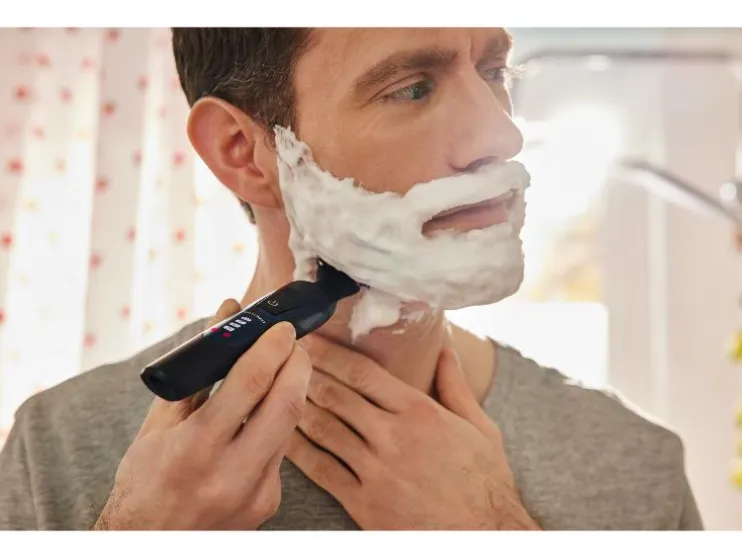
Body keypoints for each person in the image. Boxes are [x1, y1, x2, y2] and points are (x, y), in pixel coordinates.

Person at [0, 28, 703, 531]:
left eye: (494, 72)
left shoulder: (634, 467)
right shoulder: (59, 449)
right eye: (412, 88)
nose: (502, 136)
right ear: (243, 152)